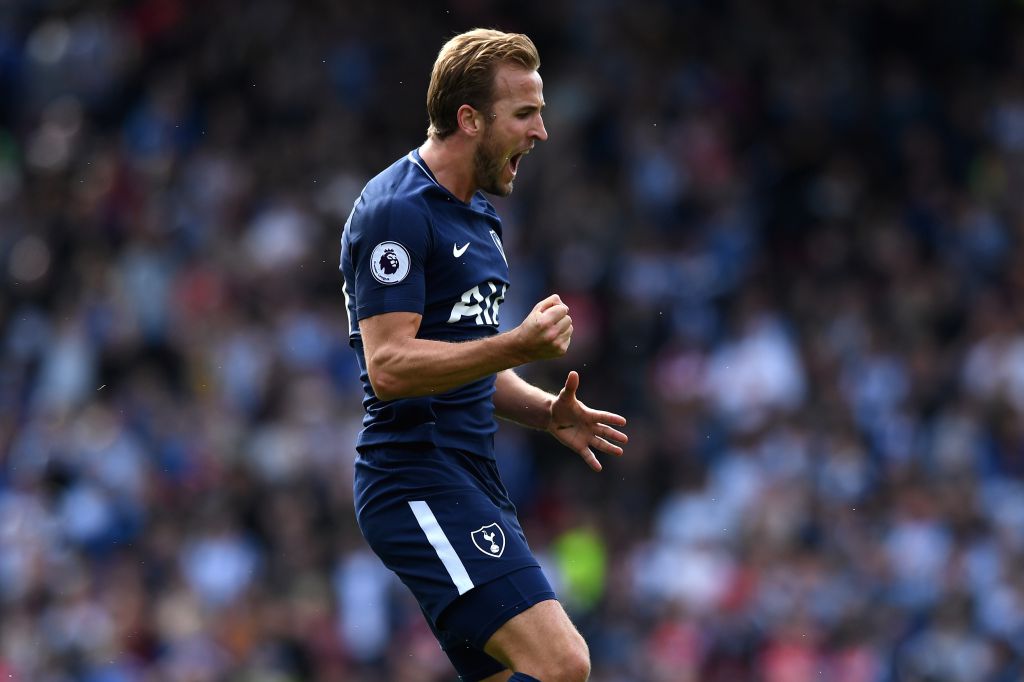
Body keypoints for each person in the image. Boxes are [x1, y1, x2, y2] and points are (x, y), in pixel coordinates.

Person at [339, 28, 628, 682]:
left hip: (473, 481)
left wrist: (544, 411)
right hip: (415, 478)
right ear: (469, 119)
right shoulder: (397, 211)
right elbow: (390, 369)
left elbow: (465, 362)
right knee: (563, 664)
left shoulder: (481, 220)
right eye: (525, 114)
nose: (542, 132)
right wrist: (519, 343)